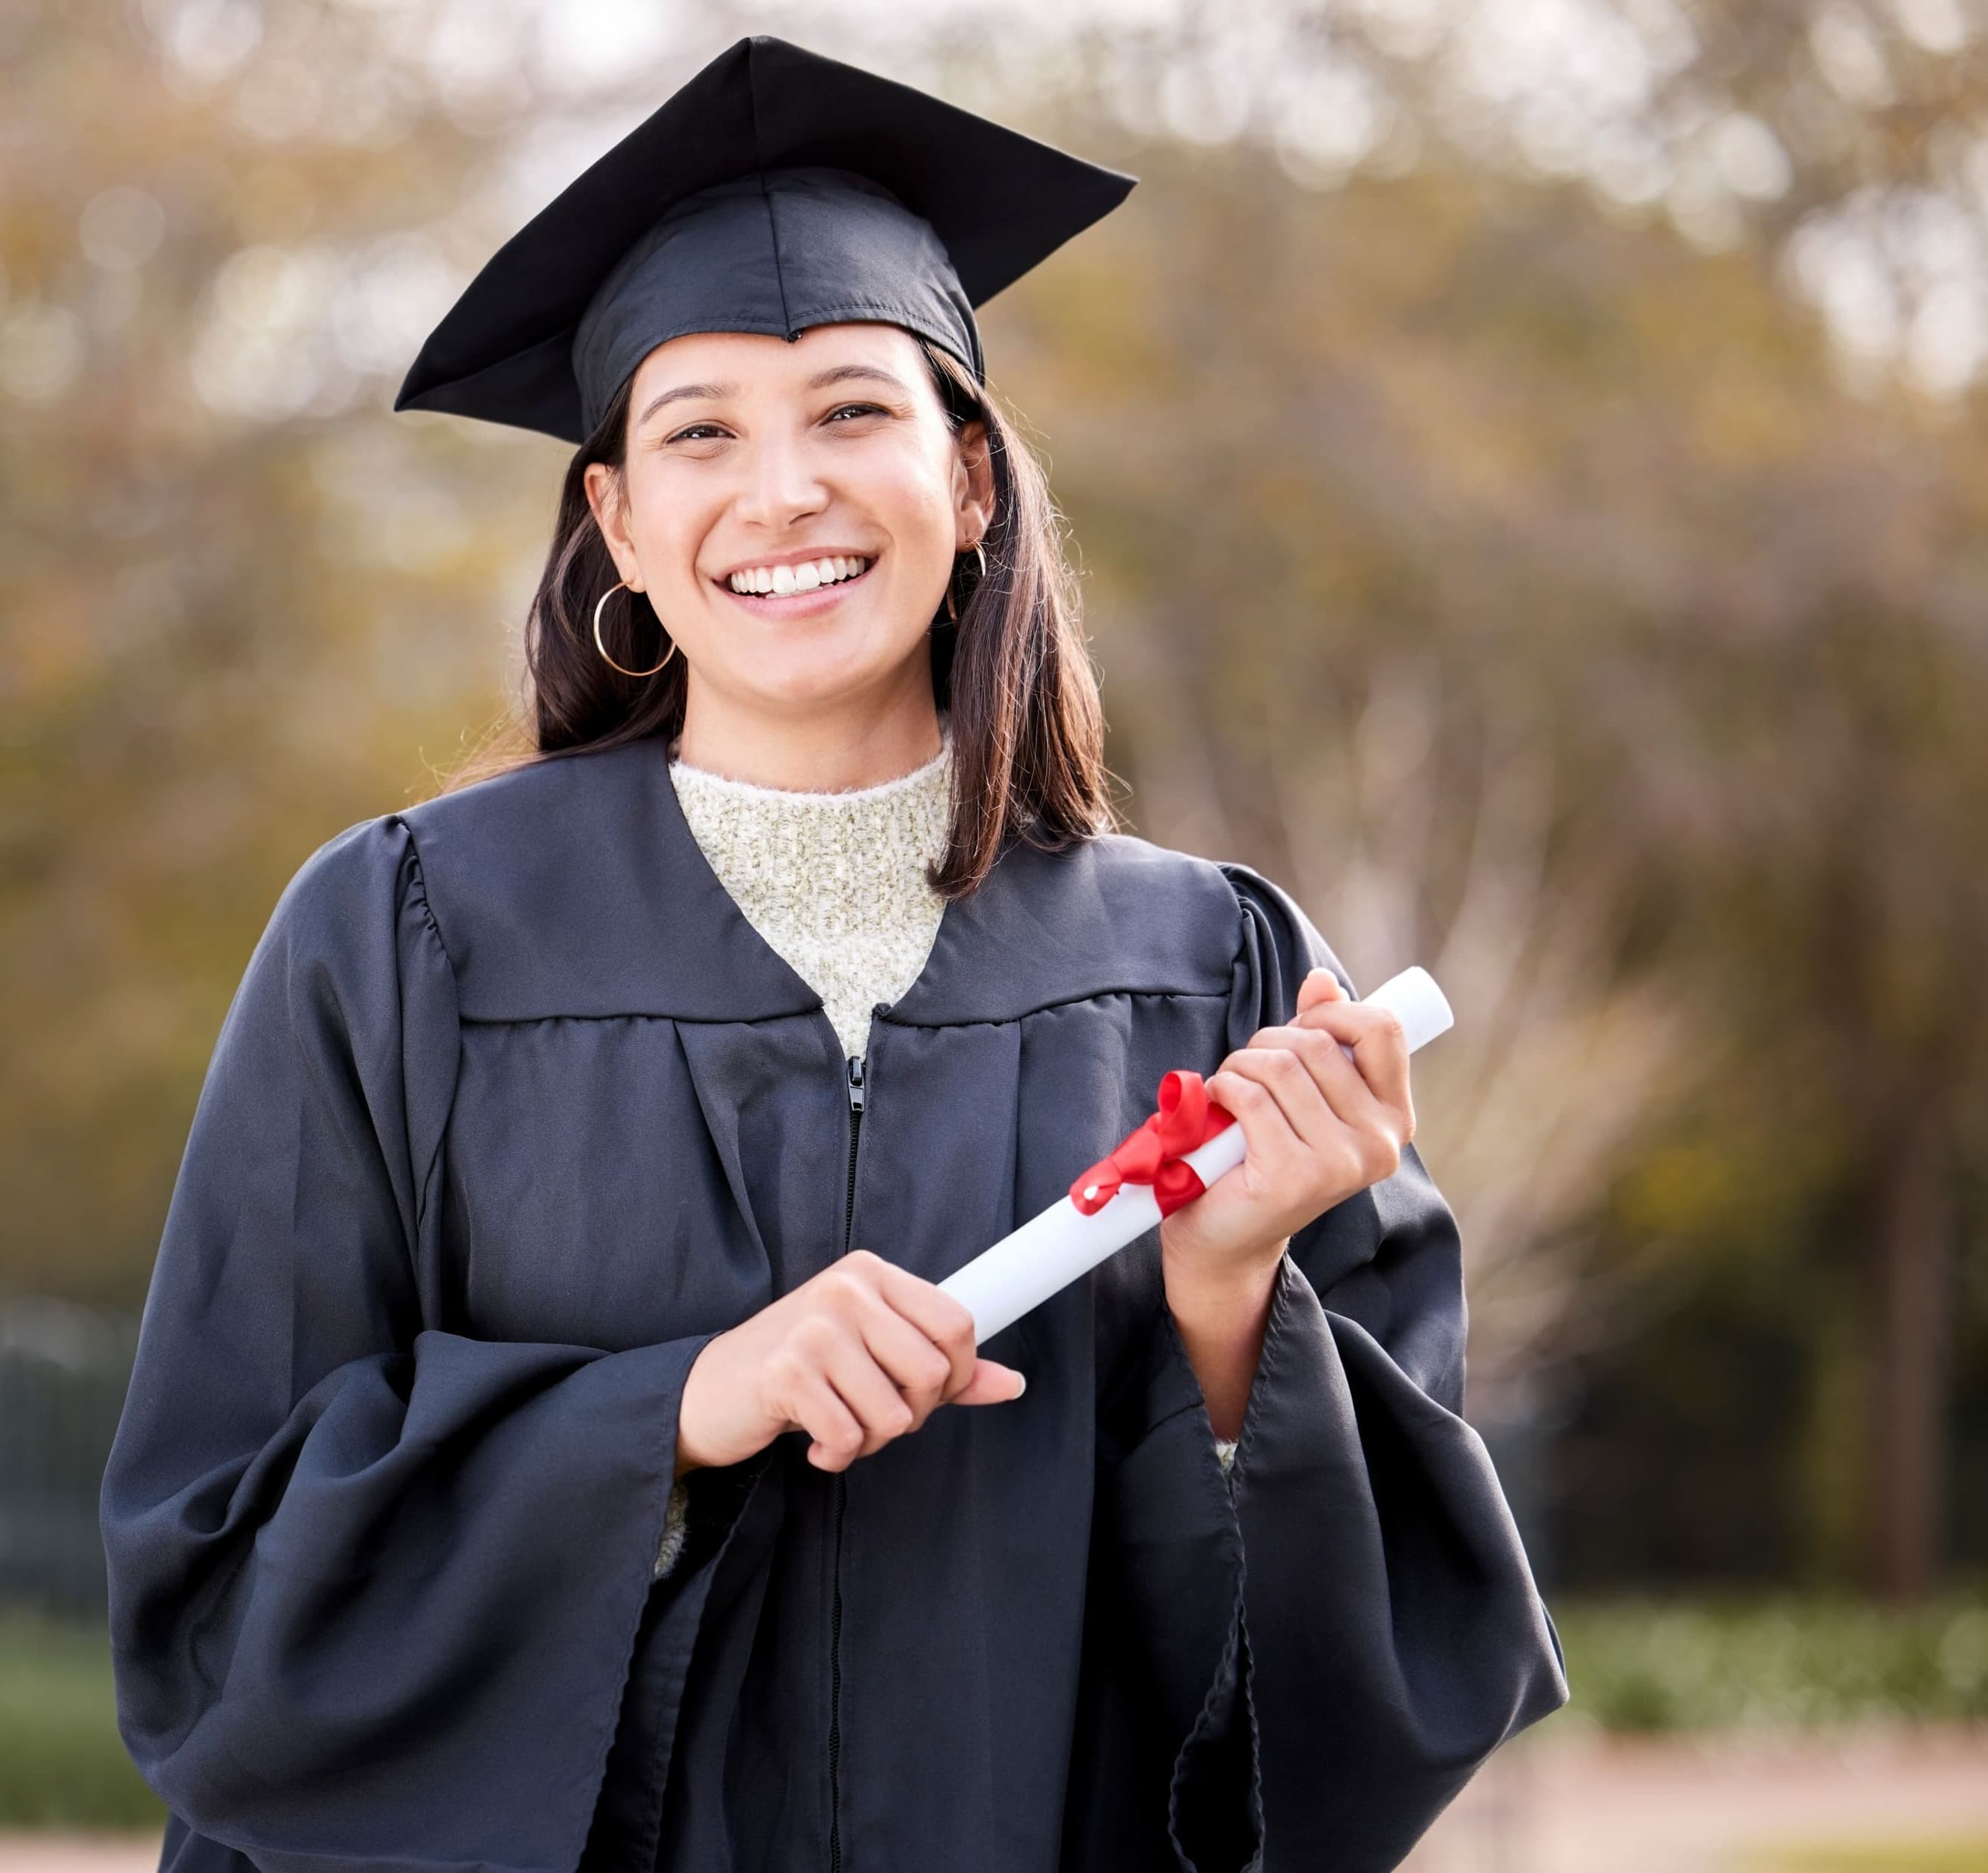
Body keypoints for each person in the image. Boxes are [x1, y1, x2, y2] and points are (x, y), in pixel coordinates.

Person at [100, 36, 1566, 1873]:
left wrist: (1223, 1304)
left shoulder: (1210, 969)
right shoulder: (404, 938)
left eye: (853, 412)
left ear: (969, 486)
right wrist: (670, 1414)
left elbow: (1367, 1696)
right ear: (619, 523)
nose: (781, 489)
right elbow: (216, 1570)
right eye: (698, 428)